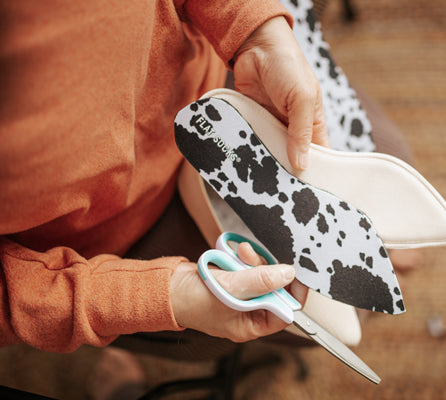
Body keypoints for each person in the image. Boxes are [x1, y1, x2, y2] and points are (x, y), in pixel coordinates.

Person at [0, 1, 326, 352]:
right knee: (310, 327)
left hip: (224, 92)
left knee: (389, 255)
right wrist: (163, 298)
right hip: (98, 256)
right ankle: (118, 367)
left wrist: (255, 32)